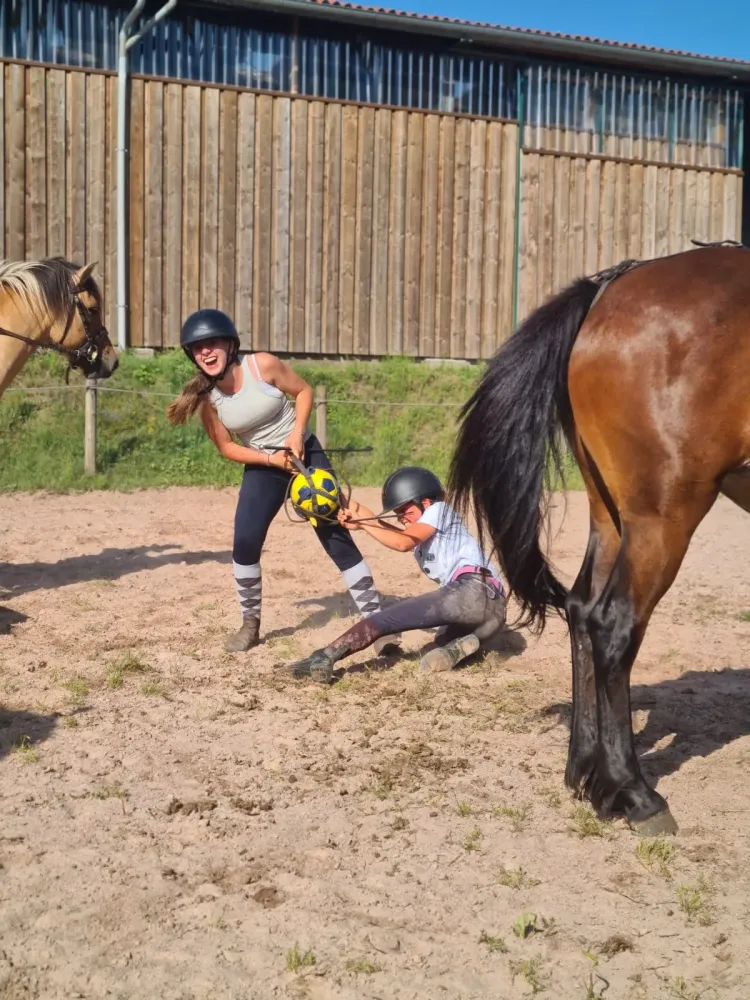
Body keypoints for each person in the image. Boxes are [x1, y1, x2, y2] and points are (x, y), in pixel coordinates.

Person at [166, 308, 394, 653]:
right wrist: (270, 459)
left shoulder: (263, 366)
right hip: (265, 463)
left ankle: (378, 626)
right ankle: (250, 624)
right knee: (245, 540)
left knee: (334, 533)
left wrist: (297, 434)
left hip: (304, 451)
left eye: (212, 343)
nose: (206, 352)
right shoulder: (209, 401)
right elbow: (227, 447)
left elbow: (303, 392)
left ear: (230, 345)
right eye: (197, 348)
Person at [287, 465, 506, 683]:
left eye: (406, 511)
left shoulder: (439, 510)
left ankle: (324, 657)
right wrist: (335, 498)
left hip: (472, 590)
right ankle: (468, 644)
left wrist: (365, 527)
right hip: (494, 607)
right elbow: (380, 524)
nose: (402, 518)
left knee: (385, 619)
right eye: (398, 514)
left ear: (426, 502)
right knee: (442, 640)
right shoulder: (425, 540)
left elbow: (401, 542)